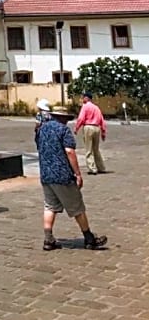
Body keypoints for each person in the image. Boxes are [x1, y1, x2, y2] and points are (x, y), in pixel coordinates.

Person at [35, 102, 107, 251]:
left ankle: (48, 239)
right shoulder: (63, 130)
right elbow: (69, 152)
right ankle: (89, 238)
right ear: (63, 118)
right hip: (62, 175)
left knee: (50, 206)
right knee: (77, 207)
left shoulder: (40, 130)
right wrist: (77, 173)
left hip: (46, 174)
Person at [73, 92, 107, 174]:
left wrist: (76, 128)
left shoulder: (85, 107)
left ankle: (92, 168)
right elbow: (102, 120)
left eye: (83, 97)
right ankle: (101, 167)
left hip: (88, 127)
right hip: (96, 128)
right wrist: (103, 132)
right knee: (96, 149)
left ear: (87, 98)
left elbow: (81, 118)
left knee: (89, 149)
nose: (82, 99)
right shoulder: (96, 108)